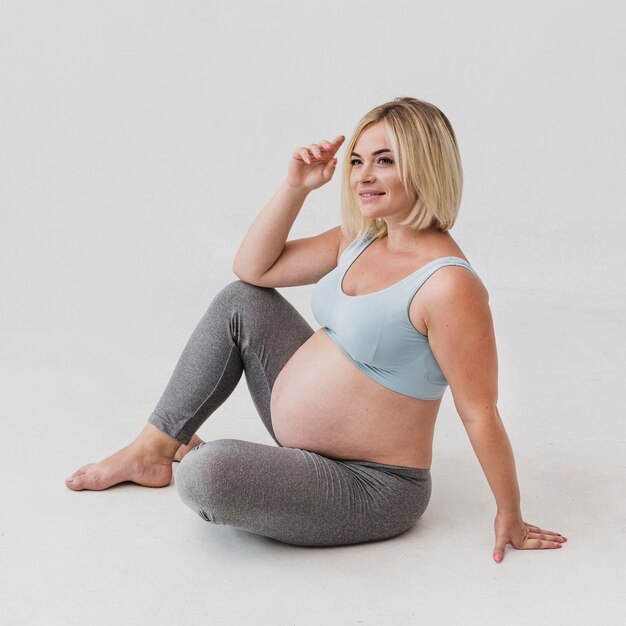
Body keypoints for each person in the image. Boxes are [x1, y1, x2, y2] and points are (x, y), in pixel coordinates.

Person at [66, 97, 566, 561]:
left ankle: (197, 458)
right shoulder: (361, 238)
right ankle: (151, 450)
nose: (363, 176)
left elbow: (479, 410)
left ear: (426, 166)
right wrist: (296, 188)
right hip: (302, 441)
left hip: (370, 484)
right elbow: (253, 270)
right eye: (357, 161)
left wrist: (510, 513)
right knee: (241, 301)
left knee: (206, 472)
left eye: (385, 160)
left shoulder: (448, 286)